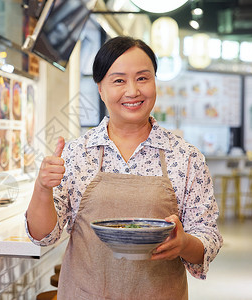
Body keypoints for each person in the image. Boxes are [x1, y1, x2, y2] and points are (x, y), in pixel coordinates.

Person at [25, 36, 223, 299]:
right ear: (100, 89)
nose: (133, 91)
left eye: (143, 78)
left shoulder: (186, 157)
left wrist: (184, 243)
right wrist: (41, 188)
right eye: (119, 80)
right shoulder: (77, 154)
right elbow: (43, 237)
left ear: (155, 81)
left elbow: (207, 238)